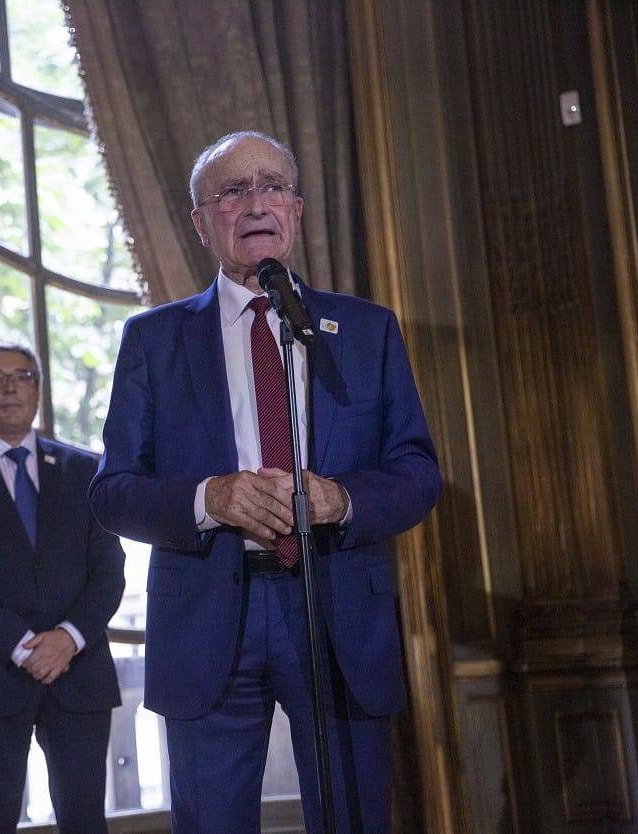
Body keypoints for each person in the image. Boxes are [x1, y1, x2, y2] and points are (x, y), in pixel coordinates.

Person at [89, 132, 442, 833]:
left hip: (336, 609)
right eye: (233, 191)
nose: (257, 203)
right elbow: (112, 490)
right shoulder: (153, 340)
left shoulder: (366, 330)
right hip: (210, 617)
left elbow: (418, 473)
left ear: (298, 210)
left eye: (273, 186)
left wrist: (342, 499)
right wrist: (207, 499)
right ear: (200, 221)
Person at [0, 343, 125, 833]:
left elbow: (109, 570)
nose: (11, 386)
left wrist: (68, 638)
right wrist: (22, 646)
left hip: (79, 674)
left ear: (38, 389)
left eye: (23, 376)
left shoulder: (84, 470)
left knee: (85, 821)